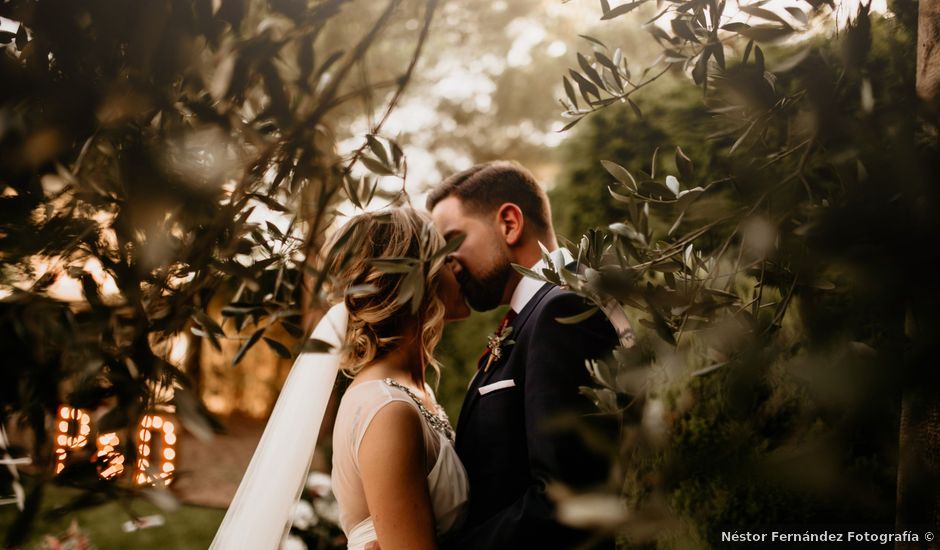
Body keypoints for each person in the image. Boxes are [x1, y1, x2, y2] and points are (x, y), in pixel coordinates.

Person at [427, 160, 620, 550]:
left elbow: (565, 501)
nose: (448, 264)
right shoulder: (533, 315)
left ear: (510, 223)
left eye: (452, 240)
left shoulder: (563, 309)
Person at [327, 207, 472, 550]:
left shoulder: (412, 392)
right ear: (418, 281)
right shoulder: (388, 410)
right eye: (447, 259)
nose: (459, 267)